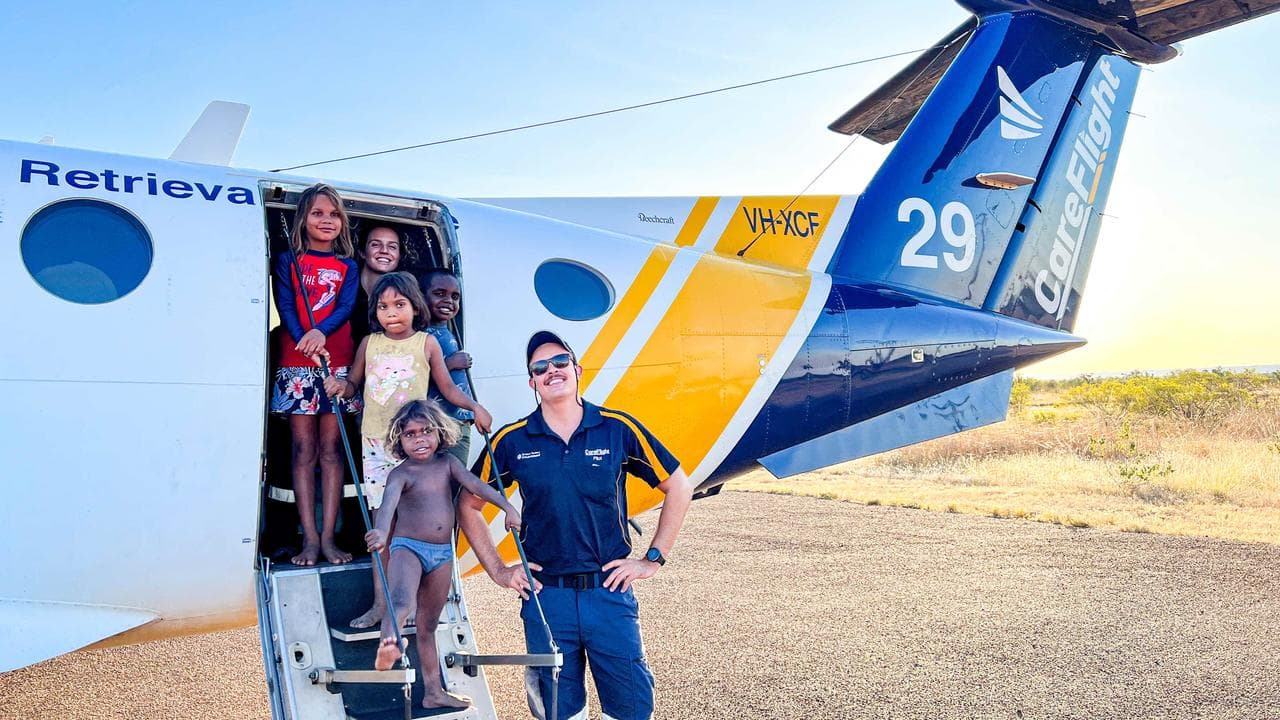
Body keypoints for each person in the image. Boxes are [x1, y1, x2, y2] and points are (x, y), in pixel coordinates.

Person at [457, 330, 695, 720]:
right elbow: (468, 504)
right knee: (558, 711)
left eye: (560, 362)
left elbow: (679, 486)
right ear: (532, 382)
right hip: (546, 597)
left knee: (631, 709)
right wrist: (498, 570)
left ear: (577, 370)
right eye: (540, 367)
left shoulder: (617, 428)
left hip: (608, 592)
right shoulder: (512, 440)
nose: (551, 370)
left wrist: (652, 559)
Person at [323, 271, 493, 628]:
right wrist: (340, 386)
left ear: (415, 306)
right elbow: (354, 384)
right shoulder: (369, 343)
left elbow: (447, 388)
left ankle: (414, 604)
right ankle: (380, 603)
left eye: (399, 304)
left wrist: (475, 407)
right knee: (381, 527)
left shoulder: (426, 344)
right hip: (376, 444)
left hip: (414, 446)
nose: (391, 313)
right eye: (383, 306)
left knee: (413, 527)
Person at [366, 400, 521, 710]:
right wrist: (381, 533)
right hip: (407, 547)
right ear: (399, 440)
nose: (419, 439)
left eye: (426, 431)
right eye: (410, 435)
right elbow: (387, 507)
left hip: (441, 554)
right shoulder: (400, 474)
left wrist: (507, 506)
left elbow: (476, 486)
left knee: (428, 625)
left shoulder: (448, 463)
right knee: (401, 603)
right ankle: (389, 645)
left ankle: (433, 692)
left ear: (439, 432)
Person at [271, 183, 360, 566]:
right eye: (318, 213)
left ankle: (328, 538)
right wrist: (303, 338)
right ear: (303, 219)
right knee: (303, 451)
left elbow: (345, 306)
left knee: (332, 451)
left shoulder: (347, 266)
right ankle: (308, 538)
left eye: (334, 214)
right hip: (297, 363)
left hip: (336, 363)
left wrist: (321, 332)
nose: (327, 220)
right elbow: (286, 306)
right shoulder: (288, 260)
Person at [421, 268, 475, 466]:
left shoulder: (445, 330)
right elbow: (414, 377)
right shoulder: (420, 336)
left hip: (460, 421)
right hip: (438, 421)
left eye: (455, 296)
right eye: (439, 293)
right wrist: (450, 364)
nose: (449, 301)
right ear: (421, 296)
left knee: (456, 474)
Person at [350, 225, 404, 341]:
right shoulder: (344, 286)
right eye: (375, 245)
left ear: (399, 256)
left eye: (392, 247)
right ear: (362, 252)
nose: (384, 251)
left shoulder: (405, 294)